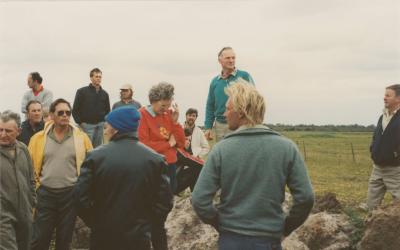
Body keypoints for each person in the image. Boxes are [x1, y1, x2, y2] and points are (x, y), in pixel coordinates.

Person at [192, 82, 314, 250]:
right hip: (269, 239)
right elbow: (306, 198)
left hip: (231, 240)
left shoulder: (221, 149)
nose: (223, 113)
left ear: (241, 112)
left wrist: (220, 224)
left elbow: (199, 200)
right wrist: (286, 227)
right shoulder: (287, 148)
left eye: (228, 109)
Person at [75, 106, 173, 250]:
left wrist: (96, 222)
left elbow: (80, 199)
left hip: (103, 236)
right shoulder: (155, 159)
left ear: (116, 128)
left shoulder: (95, 157)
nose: (105, 130)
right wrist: (147, 223)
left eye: (107, 126)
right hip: (139, 238)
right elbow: (164, 202)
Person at [29, 98, 93, 250]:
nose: (65, 115)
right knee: (39, 239)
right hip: (45, 194)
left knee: (64, 241)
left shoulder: (82, 138)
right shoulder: (38, 139)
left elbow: (91, 166)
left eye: (68, 113)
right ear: (51, 115)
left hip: (70, 195)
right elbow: (30, 167)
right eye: (61, 112)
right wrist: (36, 189)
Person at [138, 82, 185, 250]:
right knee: (151, 208)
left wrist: (176, 122)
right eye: (163, 105)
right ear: (153, 100)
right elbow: (143, 145)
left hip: (169, 165)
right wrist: (167, 144)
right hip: (152, 167)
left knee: (165, 204)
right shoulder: (142, 115)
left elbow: (180, 142)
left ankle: (158, 235)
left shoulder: (168, 115)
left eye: (168, 105)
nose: (166, 109)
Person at [0, 111, 36, 250]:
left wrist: (32, 201)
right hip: (3, 216)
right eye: (0, 130)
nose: (3, 134)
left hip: (24, 213)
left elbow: (31, 179)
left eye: (8, 131)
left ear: (18, 131)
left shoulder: (23, 149)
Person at [204, 47, 255, 142]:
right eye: (228, 58)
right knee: (223, 153)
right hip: (220, 126)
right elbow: (210, 105)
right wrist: (208, 127)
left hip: (240, 124)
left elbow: (254, 101)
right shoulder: (215, 82)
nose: (231, 61)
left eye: (233, 58)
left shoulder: (244, 76)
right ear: (220, 60)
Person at [368, 84, 400, 210]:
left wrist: (395, 156)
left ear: (398, 98)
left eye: (388, 95)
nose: (384, 98)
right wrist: (373, 150)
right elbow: (376, 137)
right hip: (377, 168)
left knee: (398, 204)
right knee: (371, 204)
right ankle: (369, 226)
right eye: (384, 95)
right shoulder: (383, 116)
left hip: (395, 169)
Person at [72, 68, 110, 147]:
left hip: (100, 126)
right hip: (87, 126)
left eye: (100, 77)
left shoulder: (105, 94)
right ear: (91, 77)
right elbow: (75, 109)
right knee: (87, 148)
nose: (98, 79)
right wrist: (81, 123)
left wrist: (105, 122)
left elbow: (108, 110)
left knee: (98, 149)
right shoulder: (82, 92)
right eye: (96, 76)